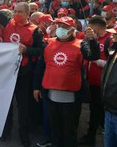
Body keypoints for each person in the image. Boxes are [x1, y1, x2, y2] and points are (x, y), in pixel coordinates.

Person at [0, 0, 43, 147]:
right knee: (6, 103)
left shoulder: (35, 31)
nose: (16, 14)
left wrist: (27, 50)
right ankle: (5, 130)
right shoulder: (9, 23)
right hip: (7, 71)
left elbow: (40, 50)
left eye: (20, 12)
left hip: (24, 72)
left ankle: (23, 134)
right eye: (15, 11)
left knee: (23, 105)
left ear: (27, 14)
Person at [33, 16, 100, 147]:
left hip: (71, 95)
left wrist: (93, 41)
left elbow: (93, 56)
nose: (61, 29)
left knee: (69, 129)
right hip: (51, 92)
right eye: (59, 26)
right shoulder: (48, 43)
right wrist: (36, 87)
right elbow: (41, 66)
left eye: (65, 27)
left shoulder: (81, 44)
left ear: (71, 30)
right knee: (55, 128)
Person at [79, 16, 112, 146]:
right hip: (91, 81)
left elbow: (114, 62)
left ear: (97, 28)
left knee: (98, 110)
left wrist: (99, 62)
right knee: (93, 109)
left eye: (91, 29)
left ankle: (94, 135)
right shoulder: (90, 39)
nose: (89, 32)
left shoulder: (110, 39)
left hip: (102, 83)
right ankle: (92, 133)